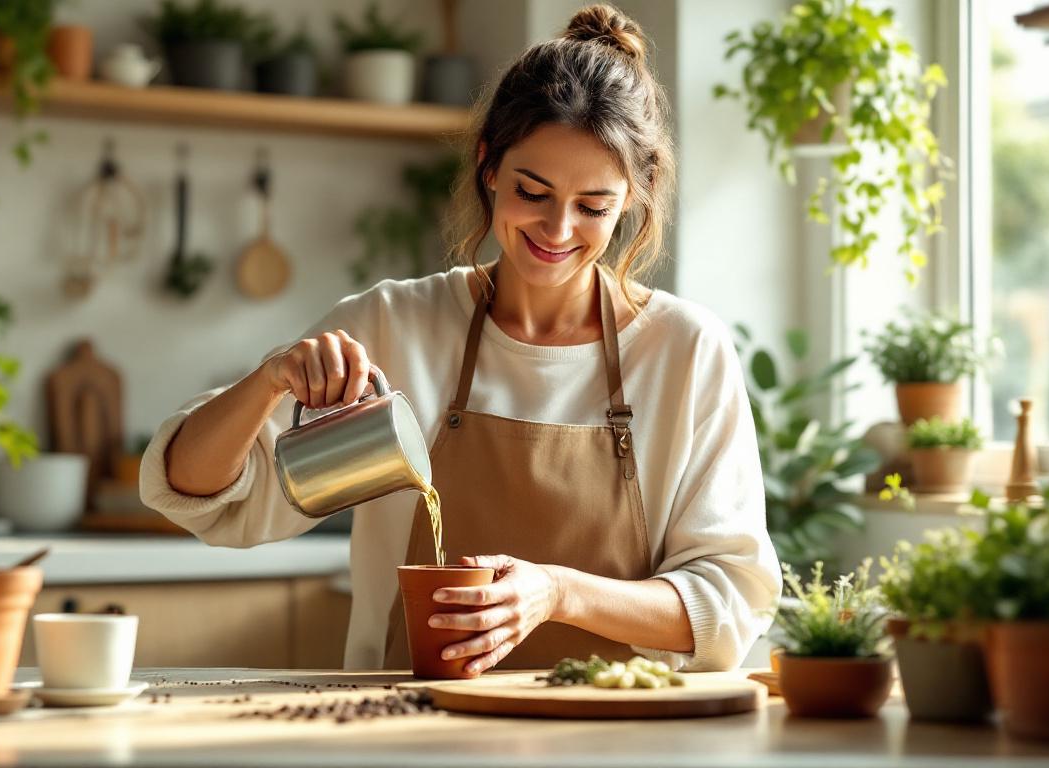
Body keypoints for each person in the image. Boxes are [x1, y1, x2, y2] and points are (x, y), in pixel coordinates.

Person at [141, 3, 780, 675]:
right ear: (489, 166)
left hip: (618, 724)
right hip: (406, 720)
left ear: (633, 196)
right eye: (532, 191)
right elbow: (209, 498)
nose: (558, 230)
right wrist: (270, 379)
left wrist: (557, 593)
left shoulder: (684, 352)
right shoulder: (395, 330)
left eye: (593, 206)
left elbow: (729, 604)